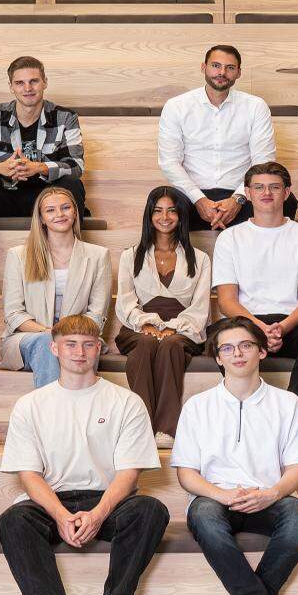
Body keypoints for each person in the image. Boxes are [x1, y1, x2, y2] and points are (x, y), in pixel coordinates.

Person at [0, 316, 168, 595]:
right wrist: (59, 515)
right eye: (71, 344)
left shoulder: (126, 401)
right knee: (12, 520)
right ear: (54, 348)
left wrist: (98, 513)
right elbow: (29, 475)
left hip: (106, 500)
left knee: (152, 510)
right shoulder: (31, 405)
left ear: (99, 349)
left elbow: (129, 473)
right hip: (51, 499)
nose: (80, 352)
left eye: (88, 344)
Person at [172, 317, 298, 595]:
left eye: (246, 345)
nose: (237, 353)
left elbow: (296, 470)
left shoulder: (288, 404)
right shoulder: (197, 407)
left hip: (270, 496)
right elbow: (187, 475)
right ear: (219, 358)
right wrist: (221, 493)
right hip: (215, 497)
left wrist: (271, 493)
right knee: (204, 516)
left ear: (261, 352)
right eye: (227, 348)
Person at [211, 161, 298, 409]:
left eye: (274, 187)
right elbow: (227, 300)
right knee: (217, 333)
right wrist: (259, 329)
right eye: (259, 187)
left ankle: (293, 408)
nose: (266, 193)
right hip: (247, 322)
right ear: (247, 193)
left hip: (290, 324)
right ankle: (246, 407)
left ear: (287, 192)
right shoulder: (230, 238)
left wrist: (280, 329)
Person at [0, 55, 88, 265]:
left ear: (44, 82)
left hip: (45, 197)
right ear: (11, 86)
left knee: (72, 184)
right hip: (4, 194)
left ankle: (72, 262)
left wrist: (39, 168)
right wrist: (0, 168)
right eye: (20, 83)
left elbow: (76, 166)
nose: (27, 88)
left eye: (34, 81)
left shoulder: (66, 117)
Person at [157, 44, 292, 230]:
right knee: (159, 203)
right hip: (192, 195)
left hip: (241, 192)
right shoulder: (176, 106)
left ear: (239, 73)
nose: (222, 72)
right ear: (203, 67)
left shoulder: (255, 106)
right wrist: (199, 200)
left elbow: (263, 161)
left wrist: (238, 199)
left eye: (230, 68)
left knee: (285, 199)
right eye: (215, 66)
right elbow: (169, 162)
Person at [114, 186, 211, 447]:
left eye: (171, 210)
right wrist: (145, 323)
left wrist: (174, 328)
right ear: (149, 214)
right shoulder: (129, 256)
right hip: (137, 327)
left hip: (184, 329)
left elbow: (200, 306)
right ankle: (141, 427)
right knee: (145, 344)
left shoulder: (200, 259)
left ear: (181, 216)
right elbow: (125, 302)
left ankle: (167, 429)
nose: (164, 217)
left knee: (170, 346)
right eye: (158, 211)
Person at [0, 185, 111, 389]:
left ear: (75, 212)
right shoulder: (19, 255)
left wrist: (69, 337)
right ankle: (53, 414)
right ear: (41, 218)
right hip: (29, 338)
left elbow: (96, 315)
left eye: (65, 208)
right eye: (50, 210)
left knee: (76, 348)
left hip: (80, 337)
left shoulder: (98, 255)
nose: (59, 214)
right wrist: (51, 333)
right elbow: (14, 314)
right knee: (46, 343)